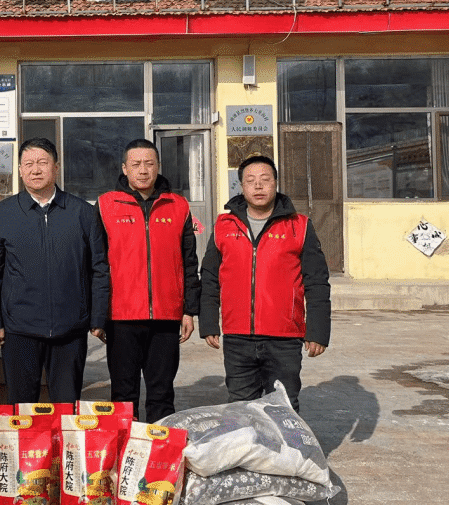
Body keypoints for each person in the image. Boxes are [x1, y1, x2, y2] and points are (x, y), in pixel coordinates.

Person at [0, 137, 110, 404]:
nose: (35, 170)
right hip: (19, 329)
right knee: (21, 408)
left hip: (69, 329)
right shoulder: (1, 215)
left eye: (42, 163)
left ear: (56, 167)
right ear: (19, 170)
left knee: (66, 406)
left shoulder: (83, 213)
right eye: (28, 164)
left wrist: (98, 316)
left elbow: (99, 268)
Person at [198, 155, 330, 412]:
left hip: (284, 337)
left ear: (276, 183)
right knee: (241, 407)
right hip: (238, 337)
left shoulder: (299, 226)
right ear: (241, 186)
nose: (258, 186)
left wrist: (318, 331)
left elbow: (317, 282)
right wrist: (209, 322)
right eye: (250, 180)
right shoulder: (224, 226)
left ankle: (283, 441)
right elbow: (210, 277)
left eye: (265, 179)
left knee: (283, 407)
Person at [97, 139, 200, 422]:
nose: (143, 170)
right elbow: (96, 265)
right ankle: (125, 447)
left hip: (166, 316)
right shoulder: (106, 205)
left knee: (162, 393)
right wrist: (98, 315)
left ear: (158, 166)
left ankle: (160, 447)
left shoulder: (178, 206)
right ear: (124, 168)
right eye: (136, 164)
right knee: (123, 394)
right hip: (121, 316)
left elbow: (189, 262)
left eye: (149, 164)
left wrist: (189, 310)